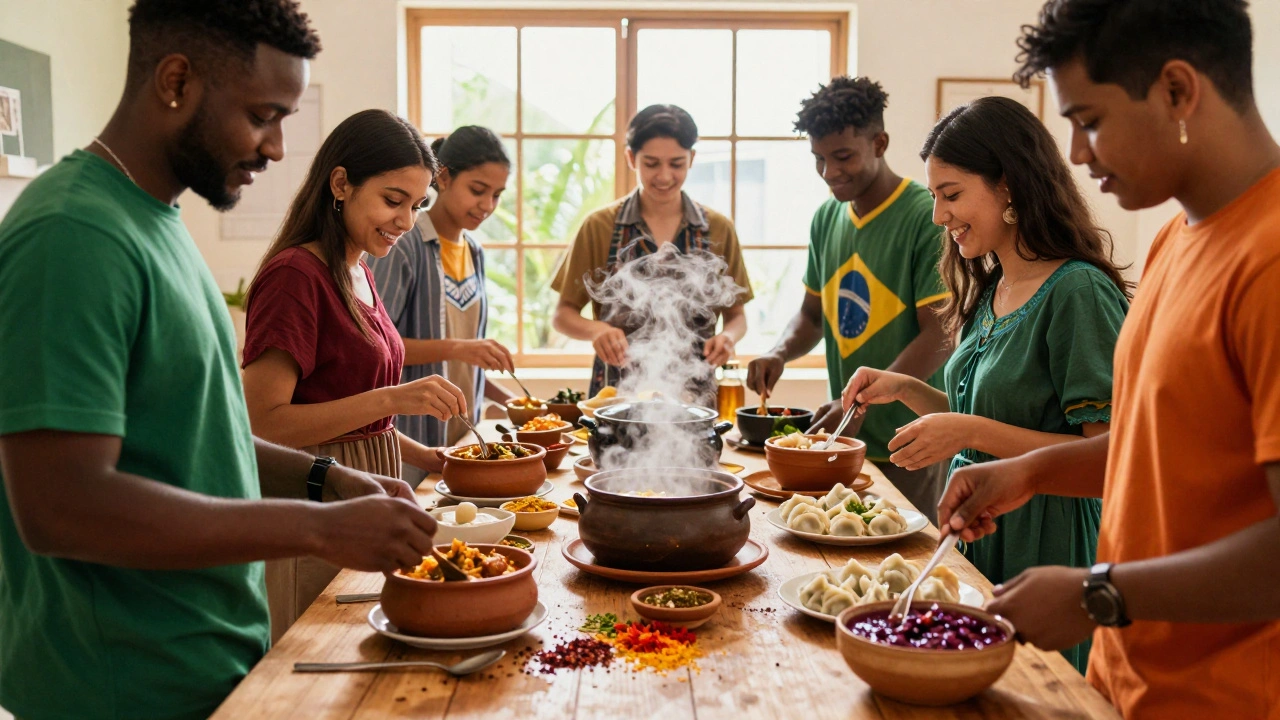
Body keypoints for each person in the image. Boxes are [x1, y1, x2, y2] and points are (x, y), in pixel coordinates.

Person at [0, 4, 441, 719]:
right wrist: (319, 528)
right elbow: (60, 506)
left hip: (206, 662)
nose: (274, 148)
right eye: (263, 115)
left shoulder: (157, 223)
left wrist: (328, 477)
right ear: (176, 81)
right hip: (121, 686)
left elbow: (203, 432)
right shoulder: (72, 235)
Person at [934, 0, 1280, 716]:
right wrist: (1030, 471)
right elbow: (1163, 450)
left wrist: (1102, 592)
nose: (1079, 153)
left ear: (1178, 91)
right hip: (1127, 684)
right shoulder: (1175, 242)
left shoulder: (1270, 260)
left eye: (1089, 121)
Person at [842, 96, 1131, 673]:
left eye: (951, 195)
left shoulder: (1076, 292)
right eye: (934, 197)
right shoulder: (993, 285)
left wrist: (966, 429)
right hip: (979, 530)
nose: (938, 217)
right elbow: (989, 411)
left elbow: (1110, 458)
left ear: (1009, 187)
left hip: (1048, 545)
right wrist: (907, 389)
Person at [241, 109, 467, 639]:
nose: (408, 222)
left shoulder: (358, 267)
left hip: (368, 486)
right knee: (320, 653)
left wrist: (430, 458)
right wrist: (393, 398)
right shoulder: (296, 275)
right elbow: (263, 421)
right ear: (340, 183)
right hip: (317, 496)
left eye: (418, 205)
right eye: (393, 200)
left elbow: (354, 412)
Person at [748, 77, 952, 520]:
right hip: (840, 443)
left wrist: (859, 400)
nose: (829, 172)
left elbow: (940, 333)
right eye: (818, 159)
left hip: (908, 445)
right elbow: (812, 317)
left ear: (879, 142)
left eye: (843, 157)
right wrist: (778, 353)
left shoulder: (923, 215)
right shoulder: (827, 217)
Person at [551, 104, 752, 400]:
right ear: (631, 158)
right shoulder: (599, 226)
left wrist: (728, 337)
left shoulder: (719, 228)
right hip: (616, 393)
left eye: (676, 163)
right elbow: (562, 315)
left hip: (694, 397)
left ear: (692, 159)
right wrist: (596, 331)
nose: (664, 176)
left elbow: (737, 316)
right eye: (652, 163)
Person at [368, 126, 518, 484]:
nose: (488, 206)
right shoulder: (403, 245)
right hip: (409, 443)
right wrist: (460, 349)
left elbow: (468, 365)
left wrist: (513, 403)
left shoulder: (475, 253)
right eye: (478, 190)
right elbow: (374, 347)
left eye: (497, 195)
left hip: (461, 440)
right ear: (444, 177)